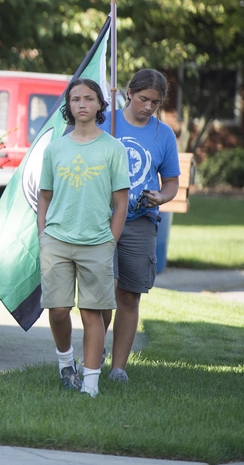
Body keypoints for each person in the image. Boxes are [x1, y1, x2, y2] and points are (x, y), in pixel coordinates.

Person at [37, 78, 130, 397]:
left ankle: (90, 384)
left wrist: (110, 241)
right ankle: (66, 364)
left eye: (89, 99)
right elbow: (44, 197)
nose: (82, 104)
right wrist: (43, 235)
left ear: (100, 105)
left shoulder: (113, 149)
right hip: (57, 241)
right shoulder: (55, 148)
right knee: (59, 309)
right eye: (75, 99)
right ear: (68, 106)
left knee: (93, 313)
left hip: (97, 243)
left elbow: (121, 203)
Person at [100, 69, 180, 382]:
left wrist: (161, 197)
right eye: (143, 98)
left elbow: (171, 182)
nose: (147, 106)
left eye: (155, 102)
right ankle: (95, 353)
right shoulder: (105, 123)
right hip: (101, 219)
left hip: (139, 222)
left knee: (129, 296)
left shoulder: (164, 134)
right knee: (102, 292)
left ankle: (118, 368)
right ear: (129, 92)